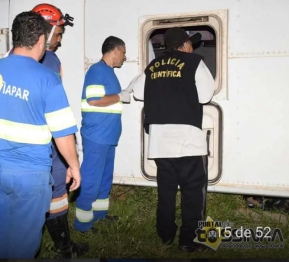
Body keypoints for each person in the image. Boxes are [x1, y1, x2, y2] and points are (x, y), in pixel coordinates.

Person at [0, 11, 81, 259]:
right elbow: (63, 133)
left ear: (15, 37)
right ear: (41, 40)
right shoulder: (47, 78)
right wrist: (73, 165)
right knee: (24, 242)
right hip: (29, 174)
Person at [136, 27, 215, 252]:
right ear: (183, 45)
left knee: (166, 191)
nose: (193, 46)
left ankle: (166, 234)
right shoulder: (194, 62)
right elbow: (206, 95)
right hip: (188, 142)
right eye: (190, 43)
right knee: (193, 193)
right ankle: (189, 241)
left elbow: (139, 92)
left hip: (160, 143)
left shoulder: (153, 66)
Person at [32, 3, 88, 258]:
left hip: (26, 145)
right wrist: (69, 156)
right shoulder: (51, 61)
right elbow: (56, 112)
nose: (61, 39)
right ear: (47, 30)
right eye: (60, 33)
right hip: (49, 143)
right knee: (57, 193)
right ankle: (64, 248)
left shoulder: (12, 58)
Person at [74, 36, 132, 233]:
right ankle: (82, 224)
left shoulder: (108, 72)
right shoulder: (97, 70)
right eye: (123, 52)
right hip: (97, 136)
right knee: (91, 178)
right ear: (115, 50)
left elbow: (107, 100)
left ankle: (99, 215)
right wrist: (119, 97)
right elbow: (94, 100)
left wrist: (120, 95)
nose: (125, 57)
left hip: (108, 136)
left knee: (104, 178)